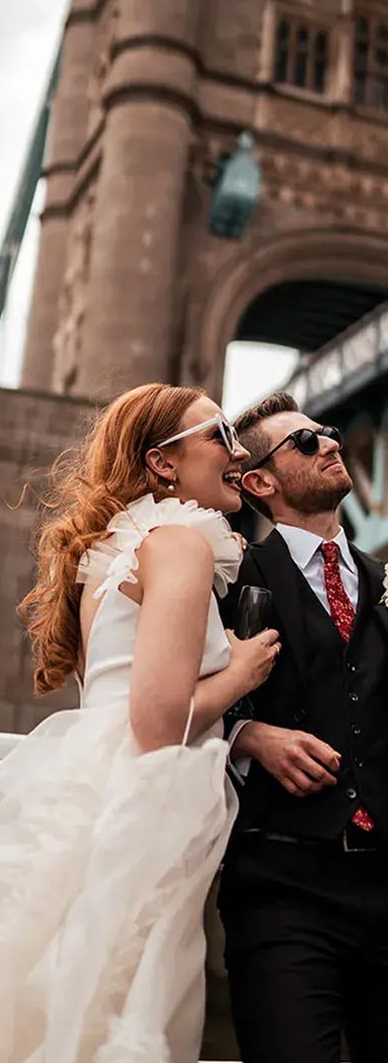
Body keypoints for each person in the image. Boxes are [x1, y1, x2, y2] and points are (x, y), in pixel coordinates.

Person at [0, 382, 279, 1063]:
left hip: (83, 788)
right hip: (137, 806)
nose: (239, 449)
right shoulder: (178, 543)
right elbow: (156, 720)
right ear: (162, 464)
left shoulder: (112, 547)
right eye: (220, 434)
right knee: (106, 1009)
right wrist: (243, 671)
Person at [219, 391, 388, 1063]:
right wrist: (246, 735)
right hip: (282, 889)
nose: (332, 443)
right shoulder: (230, 579)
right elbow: (169, 698)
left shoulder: (382, 581)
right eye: (307, 442)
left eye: (330, 431)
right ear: (260, 481)